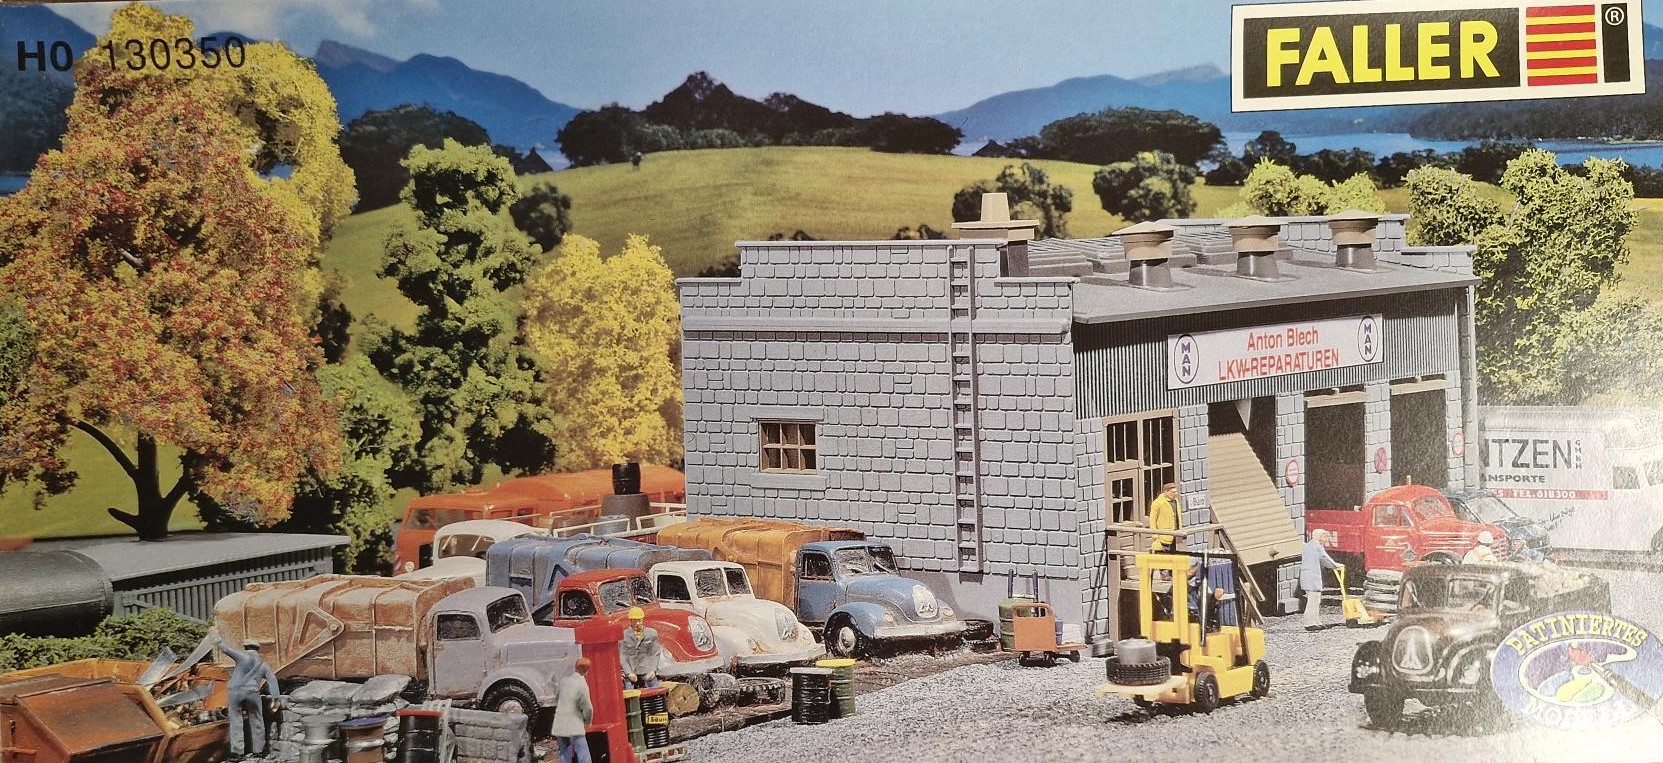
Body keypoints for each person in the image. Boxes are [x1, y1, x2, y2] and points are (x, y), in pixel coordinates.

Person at [221, 637, 280, 760]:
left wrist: (216, 639)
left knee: (236, 720)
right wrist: (275, 698)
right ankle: (259, 750)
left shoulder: (241, 656)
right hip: (253, 692)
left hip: (236, 692)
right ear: (258, 649)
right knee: (257, 719)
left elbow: (225, 649)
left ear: (245, 647)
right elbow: (272, 679)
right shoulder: (263, 664)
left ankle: (237, 752)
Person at [550, 657, 594, 763]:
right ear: (586, 670)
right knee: (583, 754)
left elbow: (557, 698)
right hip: (574, 724)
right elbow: (587, 707)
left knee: (564, 753)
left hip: (560, 723)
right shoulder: (582, 683)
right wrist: (588, 722)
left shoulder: (564, 681)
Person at [1301, 528, 1341, 632]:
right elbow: (1325, 558)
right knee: (1313, 601)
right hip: (1312, 576)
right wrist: (1335, 565)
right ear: (1319, 537)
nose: (1325, 538)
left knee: (1315, 600)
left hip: (1308, 576)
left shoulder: (1309, 546)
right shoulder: (1317, 547)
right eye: (1324, 536)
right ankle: (1310, 623)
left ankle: (1316, 622)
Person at [621, 606, 662, 689]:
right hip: (632, 671)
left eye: (639, 620)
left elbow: (655, 653)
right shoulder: (624, 635)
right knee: (629, 691)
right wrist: (629, 673)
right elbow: (623, 656)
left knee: (655, 689)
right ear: (631, 621)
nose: (637, 623)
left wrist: (653, 670)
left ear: (643, 620)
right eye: (634, 621)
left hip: (646, 670)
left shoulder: (652, 634)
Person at [1148, 482, 1180, 553]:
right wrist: (1154, 534)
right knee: (1163, 553)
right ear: (1166, 492)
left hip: (1175, 534)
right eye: (1173, 492)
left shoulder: (1175, 501)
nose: (1175, 494)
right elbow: (1152, 520)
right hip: (1163, 535)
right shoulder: (1158, 503)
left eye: (1176, 492)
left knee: (1173, 553)